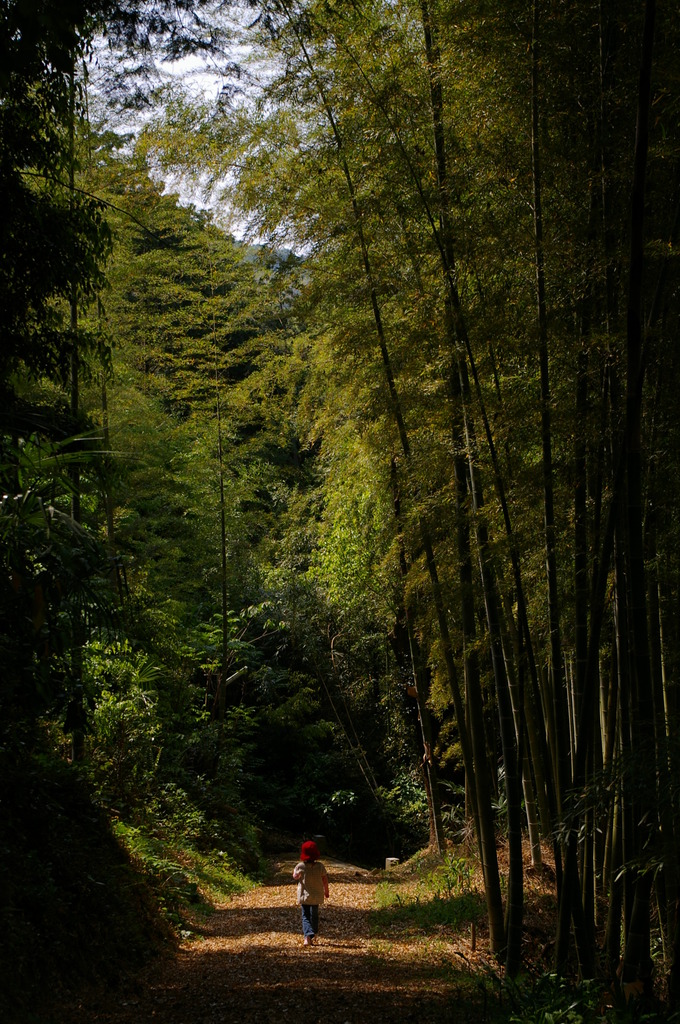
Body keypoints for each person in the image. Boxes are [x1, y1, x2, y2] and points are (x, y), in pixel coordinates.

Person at [292, 840, 329, 946]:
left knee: (305, 916)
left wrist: (296, 874)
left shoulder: (300, 866)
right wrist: (326, 891)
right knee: (315, 915)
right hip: (316, 896)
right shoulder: (320, 867)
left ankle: (307, 936)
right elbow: (325, 880)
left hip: (305, 896)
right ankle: (312, 932)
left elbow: (295, 877)